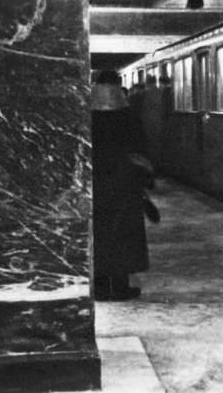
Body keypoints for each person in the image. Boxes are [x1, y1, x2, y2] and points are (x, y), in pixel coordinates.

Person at [91, 70, 157, 301]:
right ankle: (120, 287)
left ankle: (100, 288)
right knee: (124, 235)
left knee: (98, 234)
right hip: (124, 183)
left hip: (95, 182)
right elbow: (141, 149)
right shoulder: (128, 115)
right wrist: (145, 179)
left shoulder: (87, 114)